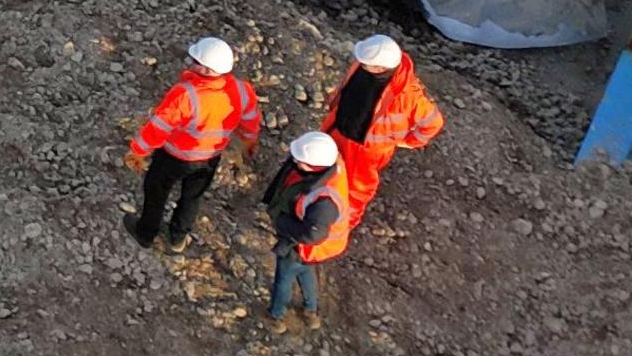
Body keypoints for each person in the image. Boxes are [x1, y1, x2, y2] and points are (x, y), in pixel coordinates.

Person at [122, 35, 261, 247]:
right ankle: (177, 238)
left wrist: (138, 151)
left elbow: (158, 127)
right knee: (192, 198)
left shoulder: (186, 95)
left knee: (156, 192)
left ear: (204, 68)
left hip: (174, 157)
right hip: (210, 159)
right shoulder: (242, 90)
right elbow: (251, 120)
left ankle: (146, 233)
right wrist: (249, 141)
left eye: (195, 61)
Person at [323, 33, 444, 228]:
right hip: (337, 128)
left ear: (381, 68)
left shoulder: (408, 96)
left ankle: (342, 225)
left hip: (366, 151)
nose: (359, 63)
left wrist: (409, 141)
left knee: (356, 190)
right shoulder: (362, 67)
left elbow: (433, 123)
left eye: (365, 62)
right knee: (324, 169)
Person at [261, 131, 351, 324]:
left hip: (304, 246)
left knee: (283, 278)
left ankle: (276, 315)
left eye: (300, 160)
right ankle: (311, 310)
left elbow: (312, 235)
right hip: (313, 250)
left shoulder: (324, 201)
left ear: (314, 167)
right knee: (305, 271)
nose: (294, 161)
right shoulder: (331, 163)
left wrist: (281, 223)